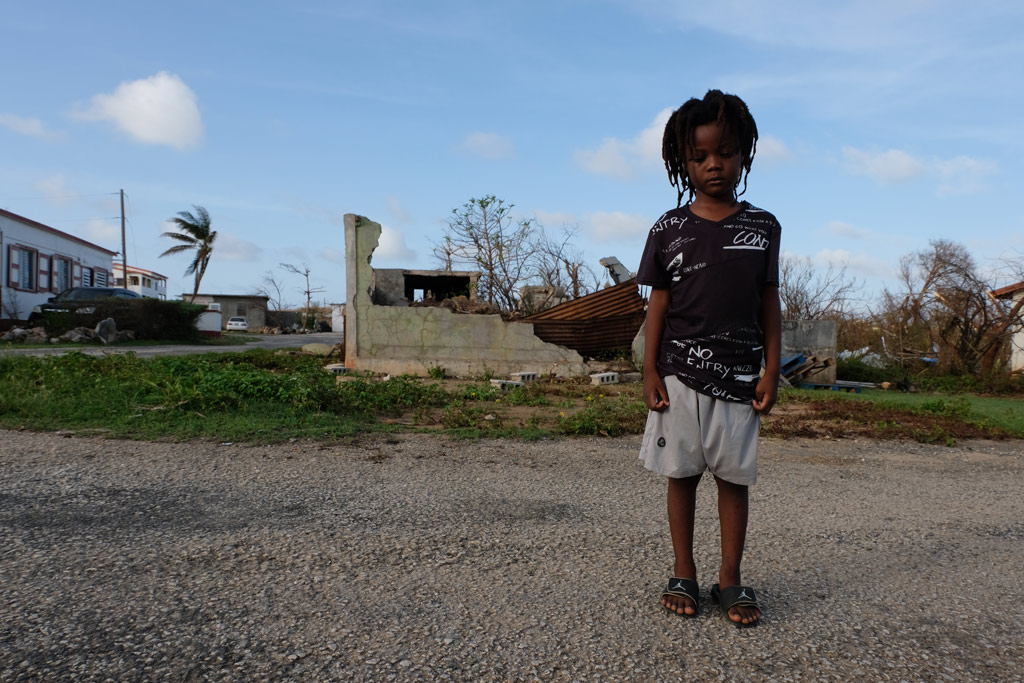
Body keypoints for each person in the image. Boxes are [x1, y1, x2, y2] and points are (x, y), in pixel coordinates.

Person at [635, 89, 781, 627]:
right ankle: (683, 572)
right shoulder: (668, 230)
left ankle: (731, 578)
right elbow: (658, 302)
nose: (712, 165)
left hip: (742, 379)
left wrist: (770, 369)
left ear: (743, 152)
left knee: (734, 479)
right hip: (679, 376)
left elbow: (769, 298)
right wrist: (650, 369)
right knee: (681, 475)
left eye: (724, 152)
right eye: (698, 157)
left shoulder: (762, 227)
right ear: (683, 162)